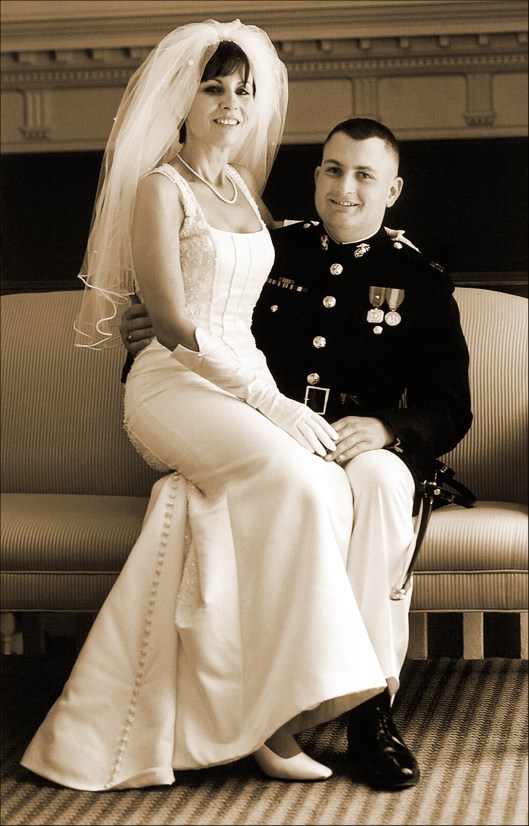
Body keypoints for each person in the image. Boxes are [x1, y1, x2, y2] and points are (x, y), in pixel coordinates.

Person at [20, 21, 398, 793]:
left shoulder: (244, 191)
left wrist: (266, 391)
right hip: (171, 386)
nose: (231, 103)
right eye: (214, 87)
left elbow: (272, 287)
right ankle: (268, 727)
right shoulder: (160, 188)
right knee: (296, 481)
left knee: (328, 484)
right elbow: (167, 319)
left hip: (238, 378)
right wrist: (267, 401)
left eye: (243, 91)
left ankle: (280, 702)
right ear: (182, 100)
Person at [120, 117, 473, 789]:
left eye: (364, 175)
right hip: (267, 427)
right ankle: (272, 700)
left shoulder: (420, 278)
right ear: (316, 176)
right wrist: (141, 329)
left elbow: (450, 406)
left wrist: (387, 428)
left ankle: (371, 712)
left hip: (360, 440)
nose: (345, 188)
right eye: (333, 170)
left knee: (377, 483)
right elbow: (199, 321)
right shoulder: (267, 249)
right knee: (298, 485)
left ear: (392, 190)